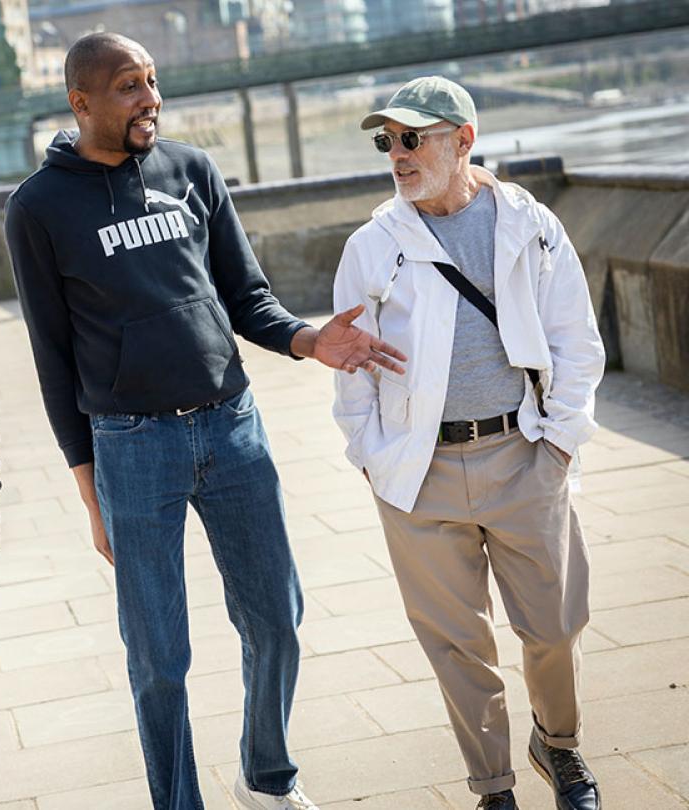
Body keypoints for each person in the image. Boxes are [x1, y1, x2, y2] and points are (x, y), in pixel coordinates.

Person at [3, 32, 406, 810]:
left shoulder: (192, 171)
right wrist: (92, 497)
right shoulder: (39, 207)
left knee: (277, 618)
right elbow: (53, 362)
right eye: (128, 86)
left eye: (153, 81)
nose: (150, 99)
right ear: (80, 102)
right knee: (159, 656)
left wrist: (309, 339)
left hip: (232, 426)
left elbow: (245, 294)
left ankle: (266, 779)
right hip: (131, 446)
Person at [331, 77, 605, 810]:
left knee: (555, 625)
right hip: (417, 477)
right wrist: (372, 456)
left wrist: (559, 446)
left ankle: (559, 742)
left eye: (413, 137)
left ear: (464, 140)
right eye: (387, 140)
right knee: (457, 646)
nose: (397, 154)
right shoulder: (371, 245)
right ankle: (493, 787)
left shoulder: (530, 223)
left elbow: (576, 339)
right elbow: (349, 369)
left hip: (523, 456)